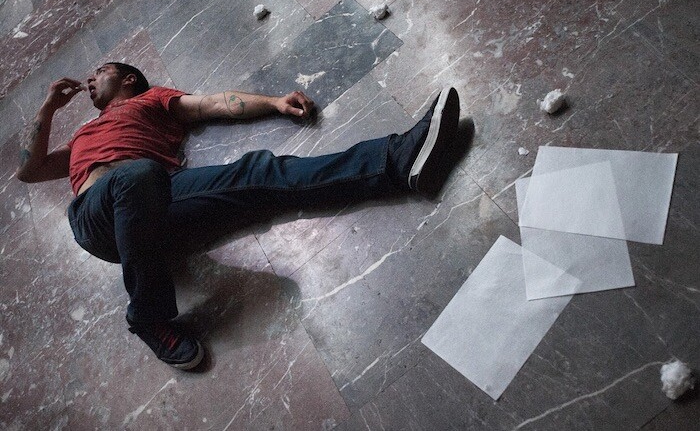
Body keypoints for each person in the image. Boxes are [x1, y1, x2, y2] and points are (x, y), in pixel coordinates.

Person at [16, 62, 463, 370]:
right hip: (96, 217)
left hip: (162, 200)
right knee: (138, 175)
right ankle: (149, 316)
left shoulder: (151, 100)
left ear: (129, 78)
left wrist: (274, 103)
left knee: (262, 172)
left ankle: (397, 162)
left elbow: (213, 104)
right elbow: (29, 170)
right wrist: (48, 107)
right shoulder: (83, 136)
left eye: (100, 72)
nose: (90, 79)